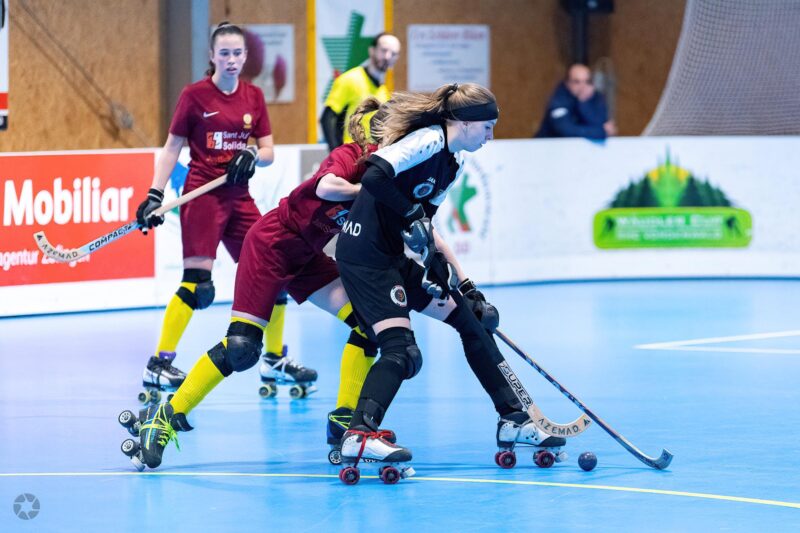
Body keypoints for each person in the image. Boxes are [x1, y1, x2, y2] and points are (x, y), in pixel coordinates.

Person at [126, 106, 396, 470]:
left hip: (306, 256)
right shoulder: (349, 156)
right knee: (242, 348)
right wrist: (367, 190)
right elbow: (326, 185)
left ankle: (345, 421)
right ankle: (163, 418)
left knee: (368, 325)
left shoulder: (388, 171)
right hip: (271, 246)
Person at [334, 84, 566, 481]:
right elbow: (374, 176)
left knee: (472, 321)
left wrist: (462, 282)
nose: (490, 136)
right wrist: (410, 214)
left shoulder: (452, 163)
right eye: (487, 127)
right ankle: (359, 435)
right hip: (365, 257)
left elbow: (424, 226)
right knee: (401, 351)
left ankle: (513, 418)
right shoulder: (428, 140)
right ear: (465, 122)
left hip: (393, 255)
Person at [135, 22, 312, 405]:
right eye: (225, 53)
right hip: (202, 196)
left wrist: (252, 154)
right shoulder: (194, 95)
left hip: (239, 197)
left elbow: (268, 152)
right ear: (212, 56)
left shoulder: (253, 96)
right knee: (198, 286)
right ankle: (159, 364)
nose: (231, 60)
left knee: (275, 272)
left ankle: (274, 360)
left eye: (237, 53)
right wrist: (154, 193)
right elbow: (172, 147)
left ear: (245, 57)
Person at [319, 32, 401, 151]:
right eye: (384, 50)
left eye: (393, 53)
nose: (387, 56)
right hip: (349, 153)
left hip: (370, 156)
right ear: (372, 50)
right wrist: (337, 155)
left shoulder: (383, 92)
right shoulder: (350, 79)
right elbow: (327, 118)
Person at [535, 63, 616, 140]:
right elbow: (565, 130)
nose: (582, 86)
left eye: (587, 81)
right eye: (577, 82)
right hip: (547, 147)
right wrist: (600, 132)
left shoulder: (595, 97)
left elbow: (601, 123)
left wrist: (584, 103)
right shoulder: (559, 100)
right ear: (567, 83)